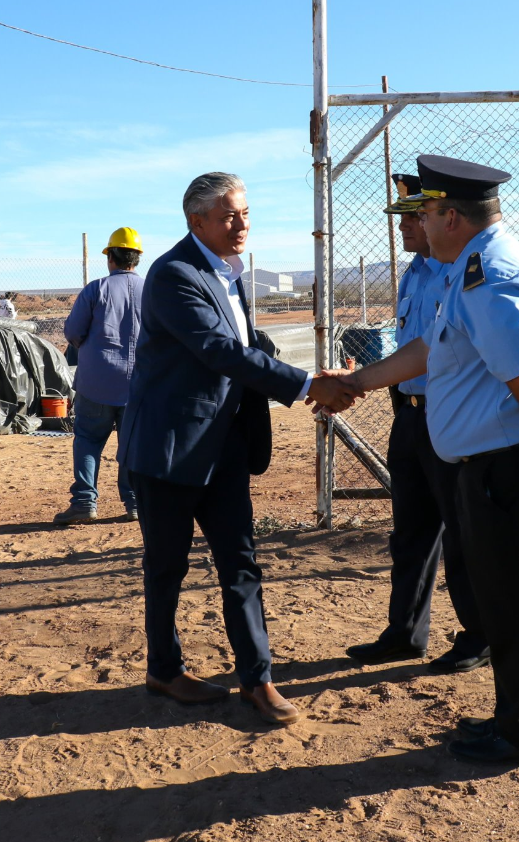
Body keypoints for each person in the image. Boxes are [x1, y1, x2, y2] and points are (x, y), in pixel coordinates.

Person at [318, 155, 519, 764]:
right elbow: (430, 347)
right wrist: (359, 381)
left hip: (514, 462)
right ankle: (514, 718)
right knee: (503, 598)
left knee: (514, 602)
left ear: (451, 216)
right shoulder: (467, 269)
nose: (420, 224)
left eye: (425, 213)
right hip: (496, 460)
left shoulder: (490, 277)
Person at [117, 172, 361, 725]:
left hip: (223, 445)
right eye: (230, 215)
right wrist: (307, 385)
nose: (242, 224)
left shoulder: (227, 271)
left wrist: (315, 375)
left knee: (241, 564)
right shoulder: (174, 274)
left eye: (246, 213)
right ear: (197, 220)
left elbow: (247, 344)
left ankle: (257, 678)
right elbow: (219, 350)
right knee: (166, 567)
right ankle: (164, 670)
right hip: (169, 450)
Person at [344, 174, 490, 676]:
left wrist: (357, 382)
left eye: (414, 217)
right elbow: (408, 345)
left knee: (461, 534)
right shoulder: (415, 272)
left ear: (441, 218)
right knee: (410, 532)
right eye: (404, 218)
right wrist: (367, 379)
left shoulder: (460, 273)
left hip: (448, 416)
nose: (405, 227)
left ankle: (479, 635)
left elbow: (435, 351)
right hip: (408, 413)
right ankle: (404, 633)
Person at [55, 226, 146, 525]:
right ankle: (135, 503)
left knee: (88, 440)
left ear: (110, 258)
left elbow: (73, 332)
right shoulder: (153, 291)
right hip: (139, 385)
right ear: (137, 259)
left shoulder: (96, 289)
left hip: (97, 382)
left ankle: (84, 502)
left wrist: (91, 348)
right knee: (132, 444)